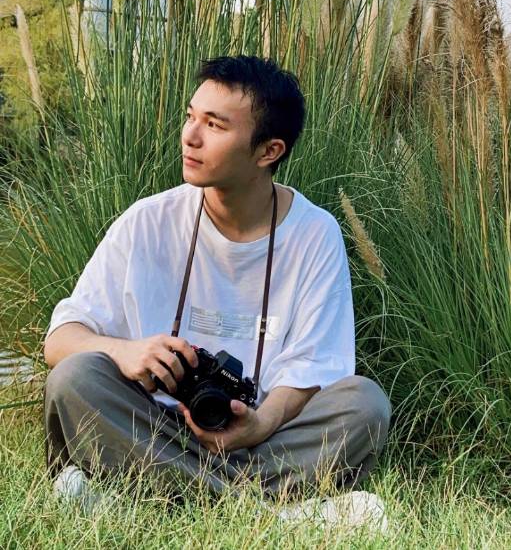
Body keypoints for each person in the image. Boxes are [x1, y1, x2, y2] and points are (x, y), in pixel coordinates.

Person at [43, 54, 391, 524]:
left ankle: (145, 498)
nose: (190, 136)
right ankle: (273, 516)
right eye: (191, 116)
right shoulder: (148, 221)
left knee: (364, 402)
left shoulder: (314, 233)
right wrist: (125, 352)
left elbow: (315, 368)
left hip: (261, 434)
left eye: (214, 125)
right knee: (74, 378)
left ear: (268, 151)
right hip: (153, 425)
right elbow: (60, 339)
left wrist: (260, 424)